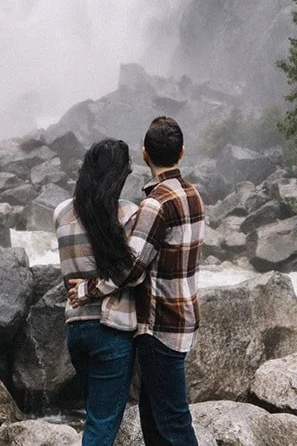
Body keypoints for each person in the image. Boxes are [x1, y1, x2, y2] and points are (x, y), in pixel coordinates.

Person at [72, 116, 205, 446]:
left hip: (159, 326)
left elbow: (129, 270)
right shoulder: (194, 196)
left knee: (172, 422)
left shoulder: (155, 204)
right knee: (155, 419)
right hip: (184, 319)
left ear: (145, 155)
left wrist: (85, 290)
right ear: (182, 153)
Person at [55, 138, 141, 446]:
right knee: (101, 429)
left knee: (95, 417)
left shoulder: (60, 212)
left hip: (76, 329)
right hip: (111, 331)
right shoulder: (129, 215)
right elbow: (130, 275)